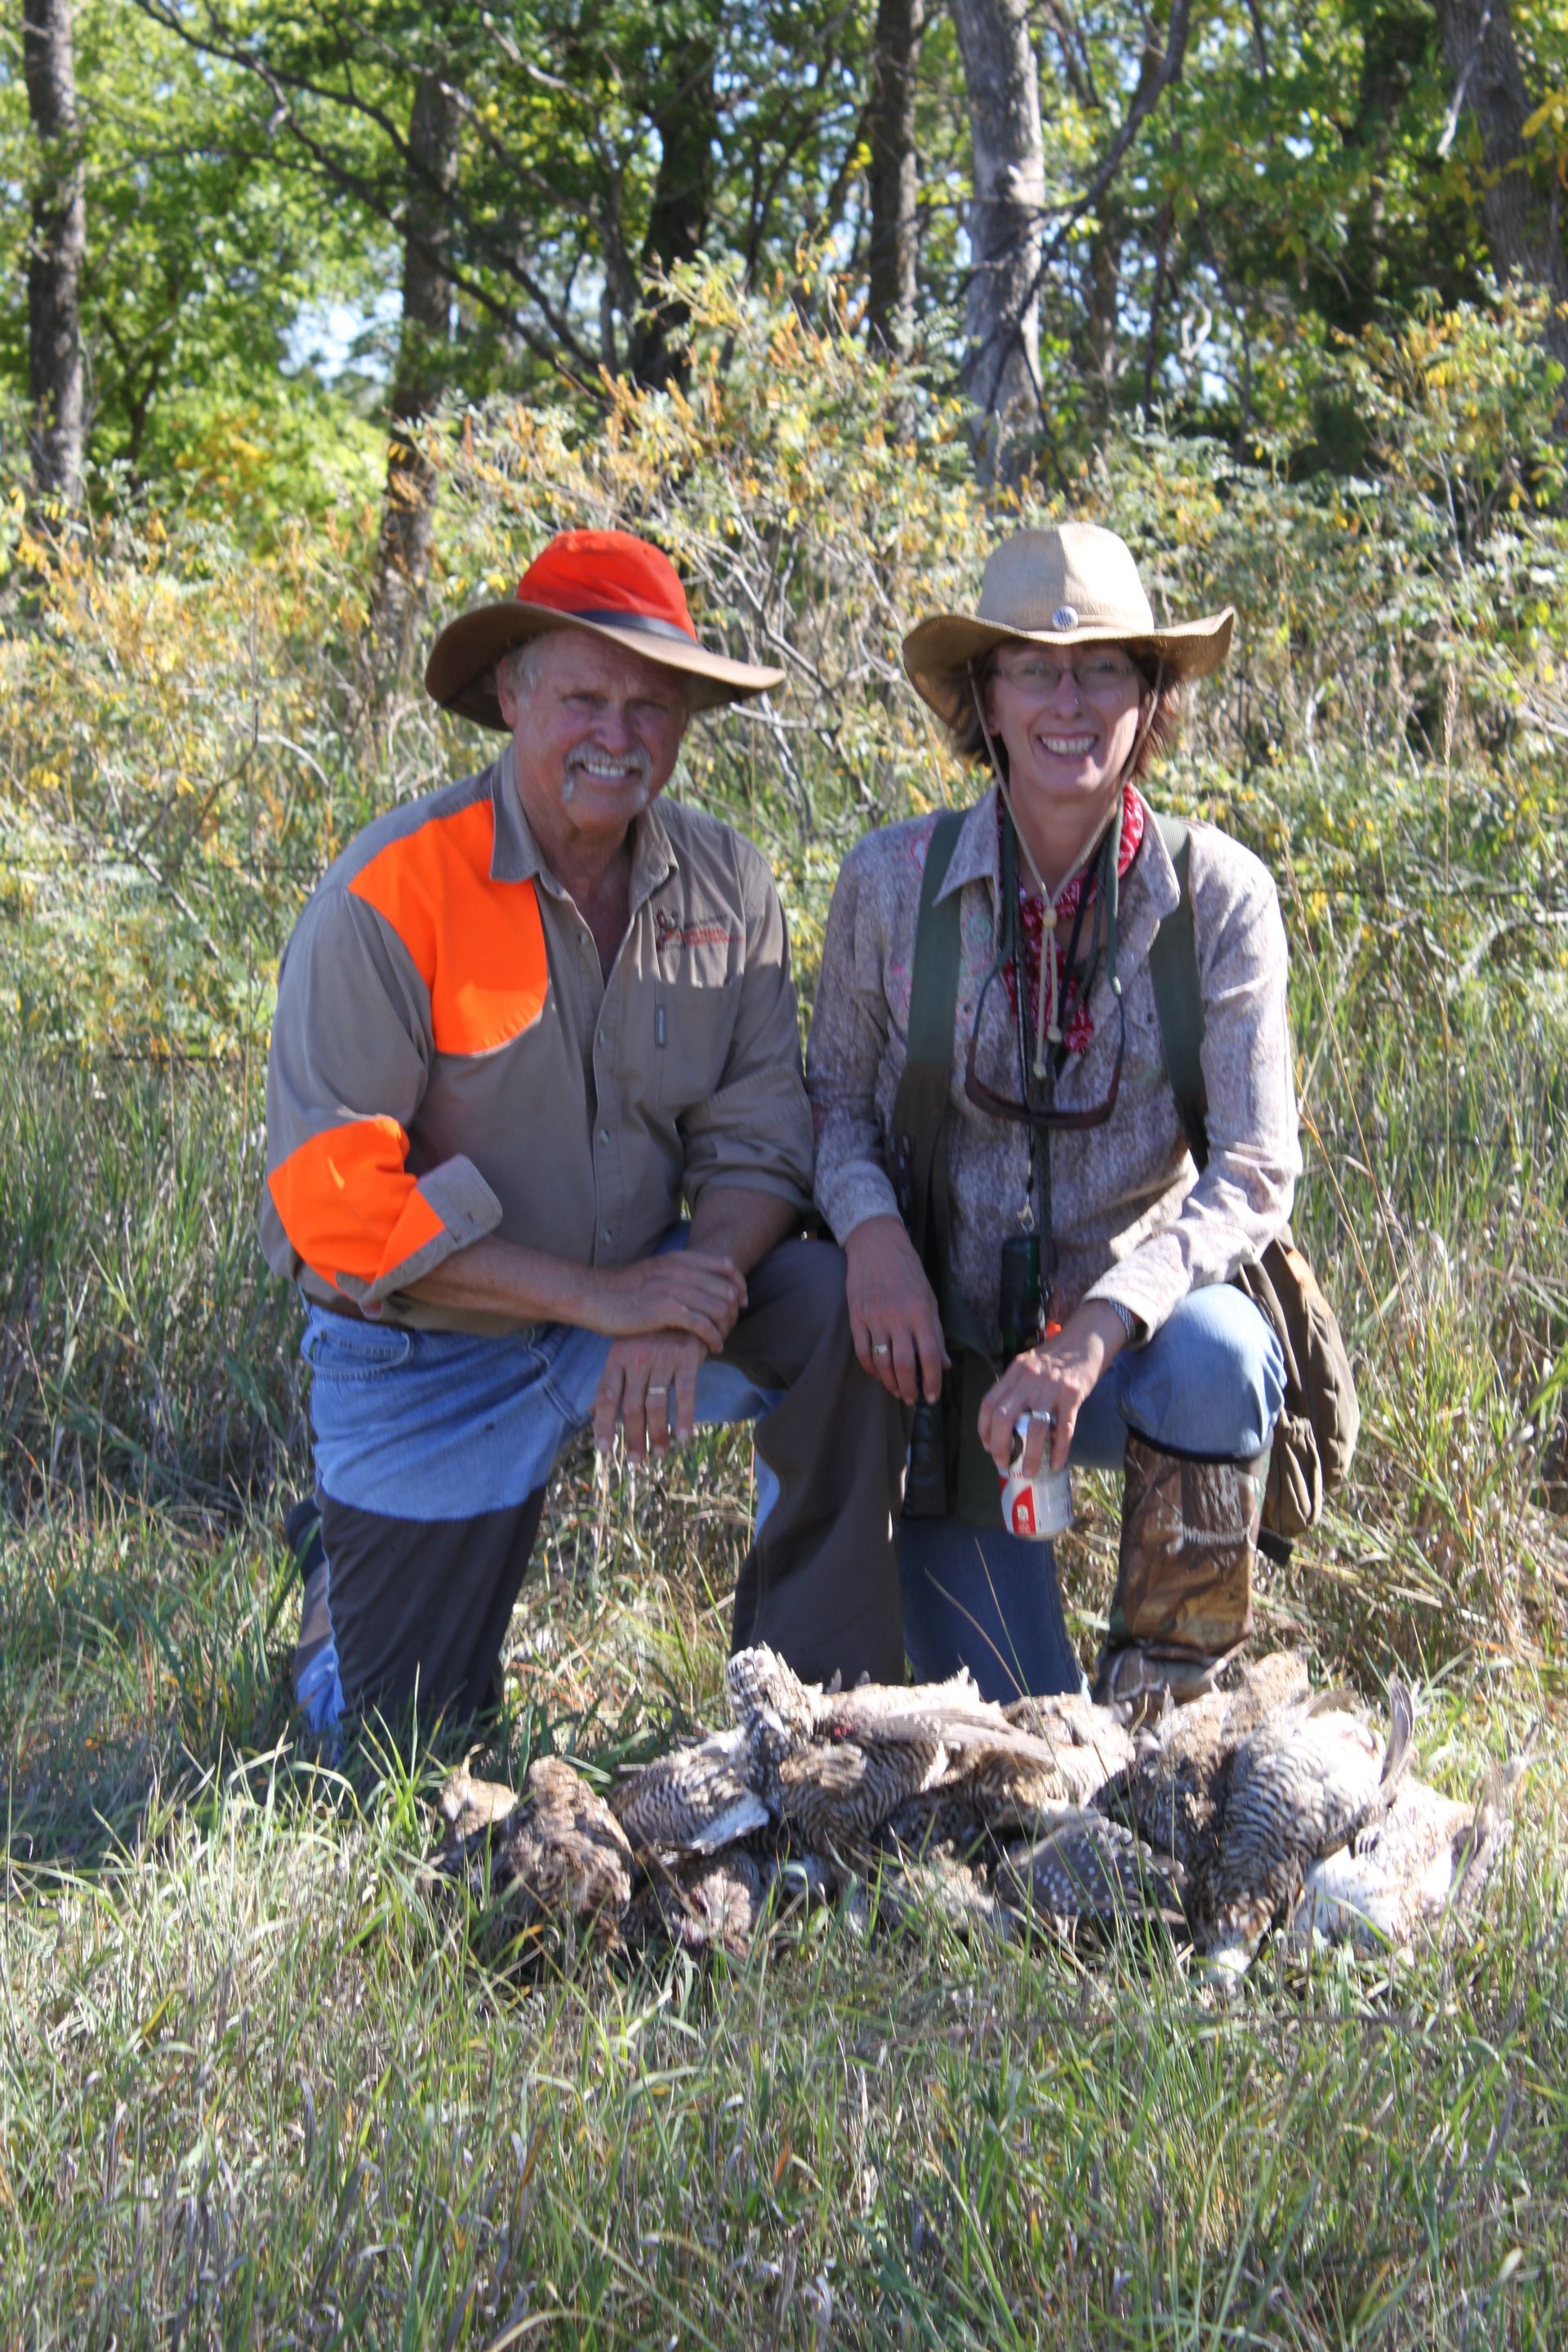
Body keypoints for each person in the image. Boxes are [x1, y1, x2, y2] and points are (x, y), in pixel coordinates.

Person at [261, 527, 907, 1735]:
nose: (620, 736)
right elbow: (334, 1213)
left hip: (644, 1296)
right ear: (511, 694)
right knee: (394, 1746)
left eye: (653, 707)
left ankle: (813, 1727)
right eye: (585, 698)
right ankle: (337, 1588)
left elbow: (765, 1137)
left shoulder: (731, 885)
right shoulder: (389, 895)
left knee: (834, 1309)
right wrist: (606, 1300)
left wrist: (684, 1291)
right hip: (425, 1351)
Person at [807, 522, 1299, 1708]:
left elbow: (1254, 1171)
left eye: (1104, 669)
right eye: (1033, 667)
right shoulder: (889, 883)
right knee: (1021, 1748)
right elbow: (832, 1103)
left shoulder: (1217, 895)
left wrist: (1095, 1331)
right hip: (948, 1377)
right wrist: (871, 1238)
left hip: (1138, 1360)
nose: (1067, 702)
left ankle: (1178, 1702)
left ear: (1150, 694)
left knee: (1223, 1355)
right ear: (984, 694)